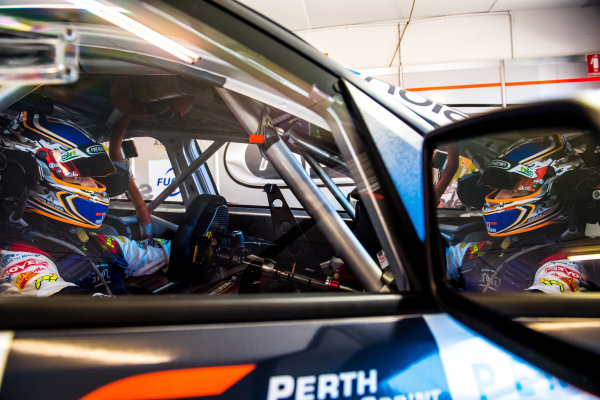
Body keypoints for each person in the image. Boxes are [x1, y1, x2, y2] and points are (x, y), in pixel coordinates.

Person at [0, 111, 170, 296]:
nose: (94, 185)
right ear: (27, 178)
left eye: (91, 175)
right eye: (80, 177)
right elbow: (58, 306)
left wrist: (195, 245)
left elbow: (152, 253)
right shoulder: (16, 257)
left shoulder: (91, 239)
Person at [446, 134, 600, 294]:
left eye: (510, 189)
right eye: (498, 188)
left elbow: (545, 303)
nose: (496, 197)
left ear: (553, 191)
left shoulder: (563, 264)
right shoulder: (480, 248)